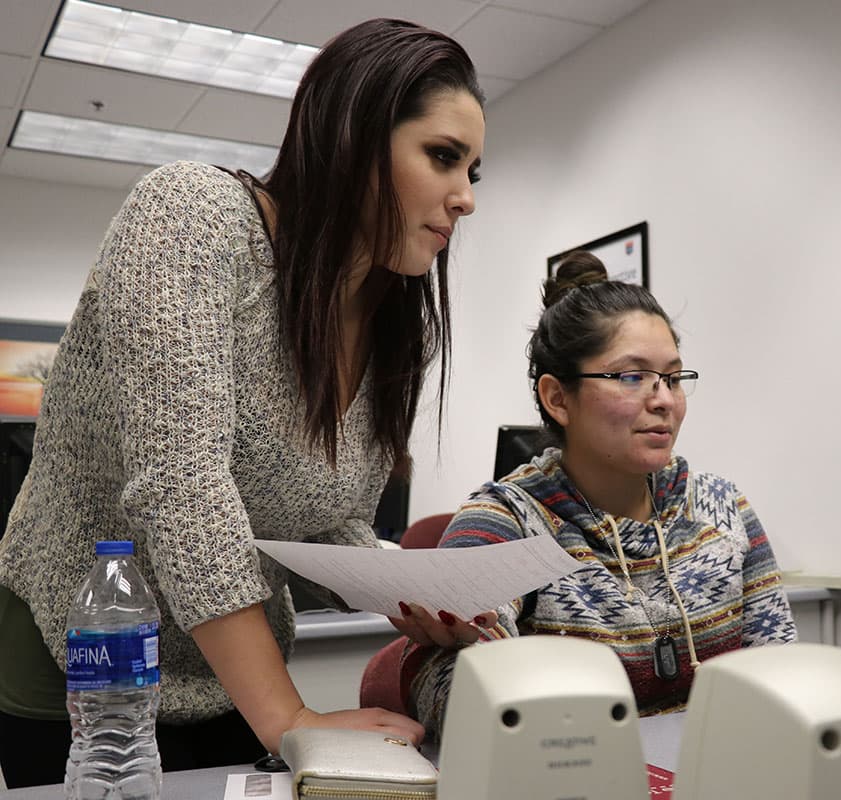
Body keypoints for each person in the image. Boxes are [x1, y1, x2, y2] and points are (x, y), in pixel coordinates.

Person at [0, 18, 486, 788]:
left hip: (236, 667)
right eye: (442, 157)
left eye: (474, 173)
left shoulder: (393, 321)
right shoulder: (194, 219)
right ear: (354, 142)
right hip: (90, 660)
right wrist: (291, 718)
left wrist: (404, 592)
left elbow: (321, 519)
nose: (463, 199)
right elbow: (180, 483)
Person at [391, 251, 798, 739]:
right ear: (558, 398)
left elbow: (779, 674)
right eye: (632, 377)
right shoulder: (508, 519)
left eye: (672, 377)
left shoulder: (722, 509)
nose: (664, 400)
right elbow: (449, 689)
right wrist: (477, 645)